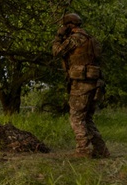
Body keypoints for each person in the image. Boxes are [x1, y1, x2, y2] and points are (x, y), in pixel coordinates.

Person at [52, 13, 110, 158]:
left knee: (76, 117)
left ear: (70, 25)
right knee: (87, 118)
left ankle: (83, 150)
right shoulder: (90, 39)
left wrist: (58, 37)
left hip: (82, 82)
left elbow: (56, 51)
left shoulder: (76, 39)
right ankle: (101, 150)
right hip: (95, 81)